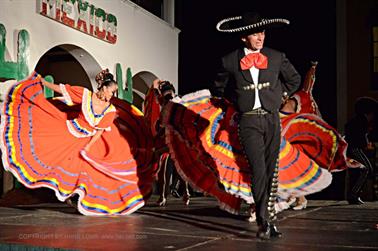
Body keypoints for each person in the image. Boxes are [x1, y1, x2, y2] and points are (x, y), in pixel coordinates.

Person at [0, 70, 156, 215]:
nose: (111, 94)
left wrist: (89, 146)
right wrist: (44, 83)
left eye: (114, 92)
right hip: (68, 130)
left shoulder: (110, 110)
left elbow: (99, 130)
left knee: (89, 170)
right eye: (110, 91)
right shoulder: (85, 95)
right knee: (48, 149)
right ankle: (39, 191)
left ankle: (75, 196)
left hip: (87, 138)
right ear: (102, 88)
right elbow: (63, 90)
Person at [212, 12, 301, 239]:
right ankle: (265, 220)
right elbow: (219, 89)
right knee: (258, 170)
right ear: (244, 37)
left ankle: (267, 220)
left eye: (262, 32)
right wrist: (236, 101)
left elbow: (294, 79)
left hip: (271, 119)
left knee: (271, 170)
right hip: (248, 121)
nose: (260, 37)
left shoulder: (276, 56)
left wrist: (280, 95)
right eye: (255, 33)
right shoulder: (229, 60)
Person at [144, 79, 190, 206]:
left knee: (164, 165)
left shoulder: (171, 105)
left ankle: (164, 196)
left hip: (174, 140)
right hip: (172, 139)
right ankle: (184, 192)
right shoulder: (171, 103)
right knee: (177, 168)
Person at [344, 97, 377, 204]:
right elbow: (358, 138)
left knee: (357, 172)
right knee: (366, 169)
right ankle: (354, 194)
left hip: (353, 149)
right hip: (354, 149)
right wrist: (366, 144)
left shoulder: (359, 121)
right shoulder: (360, 121)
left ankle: (354, 195)